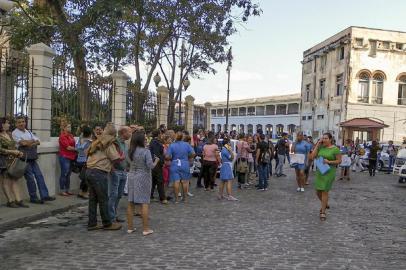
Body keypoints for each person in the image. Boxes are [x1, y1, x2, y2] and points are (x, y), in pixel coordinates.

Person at [85, 124, 122, 231]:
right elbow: (115, 158)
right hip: (99, 172)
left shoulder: (96, 141)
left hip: (89, 171)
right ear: (114, 134)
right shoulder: (109, 143)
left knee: (93, 199)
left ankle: (92, 223)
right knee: (103, 199)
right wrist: (121, 157)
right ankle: (107, 223)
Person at [12, 116, 55, 204]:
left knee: (39, 176)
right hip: (24, 159)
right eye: (19, 122)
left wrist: (29, 142)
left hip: (32, 157)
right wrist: (31, 142)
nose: (21, 123)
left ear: (25, 122)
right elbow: (23, 143)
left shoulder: (28, 131)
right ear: (16, 124)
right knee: (30, 178)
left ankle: (44, 195)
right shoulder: (15, 133)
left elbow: (38, 141)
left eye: (23, 121)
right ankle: (33, 197)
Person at [126, 131, 160, 235]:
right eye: (144, 138)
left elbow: (128, 163)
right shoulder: (146, 151)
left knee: (131, 202)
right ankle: (145, 229)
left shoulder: (129, 151)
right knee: (144, 202)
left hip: (132, 176)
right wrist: (157, 161)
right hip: (143, 177)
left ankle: (130, 227)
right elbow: (150, 166)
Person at [309, 132, 341, 221]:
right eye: (323, 138)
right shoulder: (321, 147)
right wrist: (317, 144)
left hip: (329, 172)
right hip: (320, 171)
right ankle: (325, 203)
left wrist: (329, 162)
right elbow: (312, 157)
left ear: (330, 139)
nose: (324, 140)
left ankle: (323, 212)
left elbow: (339, 161)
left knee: (324, 191)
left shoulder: (335, 149)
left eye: (326, 138)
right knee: (317, 191)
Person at [0, 118, 28, 208]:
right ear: (2, 125)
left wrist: (18, 152)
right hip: (4, 161)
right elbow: (0, 150)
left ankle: (18, 200)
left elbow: (13, 145)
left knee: (15, 179)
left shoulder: (9, 134)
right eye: (7, 123)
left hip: (13, 160)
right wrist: (12, 152)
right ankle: (10, 200)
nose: (9, 125)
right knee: (6, 180)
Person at [108, 126, 131, 223]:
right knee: (113, 194)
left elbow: (125, 156)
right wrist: (112, 169)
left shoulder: (125, 144)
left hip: (123, 171)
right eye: (129, 132)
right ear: (123, 133)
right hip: (115, 171)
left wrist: (128, 166)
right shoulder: (115, 143)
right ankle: (110, 217)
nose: (130, 134)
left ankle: (114, 214)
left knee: (119, 195)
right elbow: (111, 157)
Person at [166, 131, 195, 203]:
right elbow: (193, 153)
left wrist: (170, 158)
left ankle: (176, 200)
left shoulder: (172, 145)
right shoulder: (186, 144)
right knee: (185, 182)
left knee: (176, 182)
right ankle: (185, 199)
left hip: (175, 163)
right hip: (185, 163)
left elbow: (167, 156)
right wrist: (188, 157)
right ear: (182, 137)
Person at [58, 122, 77, 196]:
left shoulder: (71, 136)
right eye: (68, 127)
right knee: (64, 173)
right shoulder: (62, 137)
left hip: (71, 157)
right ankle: (62, 190)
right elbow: (68, 147)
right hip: (65, 156)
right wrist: (77, 149)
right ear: (64, 128)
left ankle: (67, 189)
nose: (70, 128)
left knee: (68, 174)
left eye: (70, 126)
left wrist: (75, 149)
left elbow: (74, 145)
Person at [149, 129, 168, 204]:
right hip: (156, 163)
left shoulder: (153, 142)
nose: (162, 135)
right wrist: (162, 161)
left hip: (154, 162)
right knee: (160, 181)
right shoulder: (156, 142)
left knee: (153, 181)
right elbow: (158, 154)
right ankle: (162, 198)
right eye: (161, 134)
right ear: (158, 134)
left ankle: (150, 195)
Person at [75, 126, 92, 199]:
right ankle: (84, 193)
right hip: (86, 161)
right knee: (86, 178)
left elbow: (77, 148)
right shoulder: (89, 142)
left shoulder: (79, 139)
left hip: (79, 160)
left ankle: (81, 192)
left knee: (84, 178)